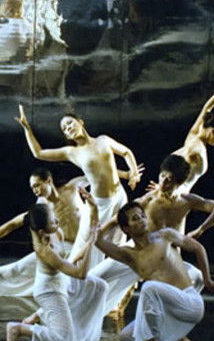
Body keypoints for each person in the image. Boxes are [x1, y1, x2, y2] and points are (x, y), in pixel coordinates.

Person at [93, 155, 214, 321]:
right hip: (137, 255)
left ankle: (170, 325)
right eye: (162, 176)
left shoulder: (186, 201)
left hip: (166, 262)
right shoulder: (148, 199)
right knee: (94, 277)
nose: (164, 182)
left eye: (170, 180)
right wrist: (95, 236)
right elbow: (116, 220)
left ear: (179, 183)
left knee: (197, 277)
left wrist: (200, 230)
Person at [95, 202, 214, 341]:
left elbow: (198, 248)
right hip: (164, 312)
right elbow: (98, 241)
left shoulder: (166, 235)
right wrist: (106, 218)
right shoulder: (130, 255)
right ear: (126, 228)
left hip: (188, 303)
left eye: (143, 216)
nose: (142, 220)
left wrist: (208, 280)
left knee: (149, 287)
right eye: (135, 218)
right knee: (125, 337)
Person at [15, 104, 141, 257]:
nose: (68, 128)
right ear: (67, 136)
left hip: (119, 196)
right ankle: (83, 274)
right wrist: (27, 128)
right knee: (91, 242)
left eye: (70, 123)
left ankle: (116, 276)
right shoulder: (72, 152)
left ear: (81, 122)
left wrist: (133, 173)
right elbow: (38, 153)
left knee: (118, 240)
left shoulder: (103, 140)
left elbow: (126, 152)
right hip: (100, 203)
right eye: (65, 129)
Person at [0, 168, 91, 299]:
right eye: (32, 187)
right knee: (17, 269)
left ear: (48, 180)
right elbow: (12, 224)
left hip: (90, 243)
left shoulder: (72, 187)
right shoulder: (41, 206)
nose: (35, 190)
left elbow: (101, 174)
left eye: (37, 185)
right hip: (63, 248)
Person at [4, 197, 106, 341]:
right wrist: (91, 242)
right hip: (49, 291)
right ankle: (19, 328)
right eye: (53, 222)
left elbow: (75, 257)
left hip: (61, 280)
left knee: (99, 285)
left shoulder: (54, 230)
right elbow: (81, 274)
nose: (57, 222)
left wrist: (94, 210)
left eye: (54, 217)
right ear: (41, 231)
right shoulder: (45, 251)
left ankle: (40, 315)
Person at [171, 74, 214, 194]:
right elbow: (180, 165)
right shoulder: (197, 148)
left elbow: (207, 108)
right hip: (177, 196)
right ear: (213, 131)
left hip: (174, 194)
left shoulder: (193, 135)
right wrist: (165, 187)